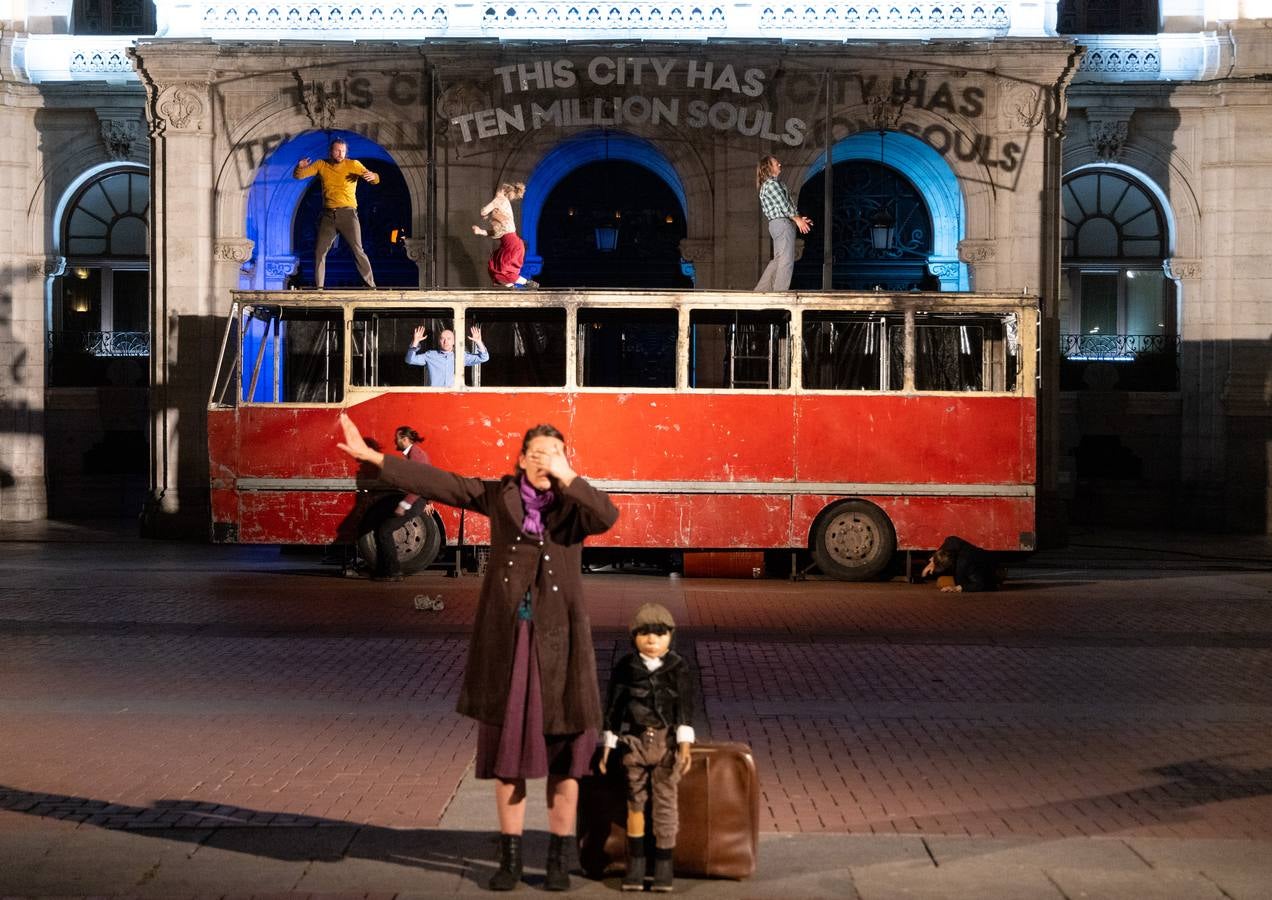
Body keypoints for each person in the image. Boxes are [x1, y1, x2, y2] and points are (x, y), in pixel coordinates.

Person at [336, 413, 619, 892]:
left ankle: (556, 857)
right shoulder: (500, 495)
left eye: (553, 453)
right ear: (521, 458)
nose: (543, 461)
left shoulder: (574, 507)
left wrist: (567, 474)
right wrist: (375, 460)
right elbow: (445, 484)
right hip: (510, 642)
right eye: (536, 453)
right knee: (510, 758)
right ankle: (509, 860)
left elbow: (607, 516)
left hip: (561, 648)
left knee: (566, 758)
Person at [599, 602, 696, 893]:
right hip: (635, 743)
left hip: (666, 743)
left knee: (666, 804)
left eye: (659, 633)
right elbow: (614, 707)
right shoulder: (626, 667)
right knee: (635, 802)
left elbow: (685, 708)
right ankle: (637, 865)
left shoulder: (678, 667)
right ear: (634, 636)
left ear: (670, 636)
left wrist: (685, 745)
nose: (652, 640)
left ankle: (664, 865)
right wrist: (608, 743)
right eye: (644, 633)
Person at [293, 138, 380, 289]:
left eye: (343, 151)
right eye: (337, 151)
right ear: (331, 151)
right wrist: (299, 167)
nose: (341, 154)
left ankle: (370, 285)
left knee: (357, 250)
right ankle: (319, 288)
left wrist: (374, 176)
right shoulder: (322, 164)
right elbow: (299, 176)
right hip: (328, 216)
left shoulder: (353, 164)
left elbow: (374, 179)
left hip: (348, 214)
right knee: (320, 252)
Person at [370, 426, 433, 582]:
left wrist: (403, 505)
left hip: (414, 502)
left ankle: (393, 572)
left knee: (384, 531)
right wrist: (430, 500)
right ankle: (384, 570)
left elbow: (418, 484)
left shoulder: (416, 455)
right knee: (382, 527)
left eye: (396, 438)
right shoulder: (415, 454)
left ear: (404, 439)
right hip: (417, 501)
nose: (394, 441)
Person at [753, 155, 812, 292]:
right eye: (776, 163)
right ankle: (780, 292)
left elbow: (783, 206)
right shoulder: (772, 184)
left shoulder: (769, 185)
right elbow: (784, 205)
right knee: (786, 260)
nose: (779, 164)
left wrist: (798, 218)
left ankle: (762, 289)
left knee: (778, 259)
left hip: (777, 224)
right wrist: (797, 220)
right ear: (768, 168)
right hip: (782, 224)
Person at [472, 182, 539, 290]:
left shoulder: (500, 199)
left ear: (502, 190)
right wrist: (481, 231)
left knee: (502, 269)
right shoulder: (503, 206)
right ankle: (512, 287)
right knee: (494, 266)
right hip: (512, 244)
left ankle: (528, 283)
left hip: (512, 245)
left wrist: (488, 213)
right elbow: (498, 233)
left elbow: (483, 211)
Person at [404, 325, 490, 388]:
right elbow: (410, 360)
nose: (446, 342)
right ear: (439, 341)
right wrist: (415, 342)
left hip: (454, 397)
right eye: (442, 339)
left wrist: (479, 342)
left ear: (454, 341)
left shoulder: (461, 356)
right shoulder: (430, 355)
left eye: (449, 339)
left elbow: (484, 358)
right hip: (434, 397)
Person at [920, 535, 1005, 593]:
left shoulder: (964, 566)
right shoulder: (951, 544)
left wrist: (957, 588)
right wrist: (932, 562)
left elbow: (979, 584)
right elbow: (951, 539)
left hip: (994, 572)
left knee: (944, 582)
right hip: (982, 560)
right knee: (943, 581)